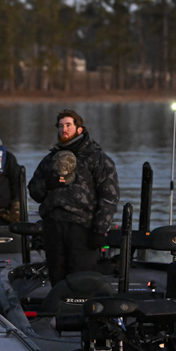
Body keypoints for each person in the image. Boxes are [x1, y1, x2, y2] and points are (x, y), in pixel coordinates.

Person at [28, 109, 120, 285]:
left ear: (79, 129)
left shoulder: (97, 158)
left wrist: (100, 229)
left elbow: (109, 196)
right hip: (53, 226)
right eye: (61, 126)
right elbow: (34, 191)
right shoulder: (50, 160)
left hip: (82, 227)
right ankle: (59, 303)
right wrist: (48, 184)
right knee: (57, 279)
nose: (64, 129)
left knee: (80, 280)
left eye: (68, 125)